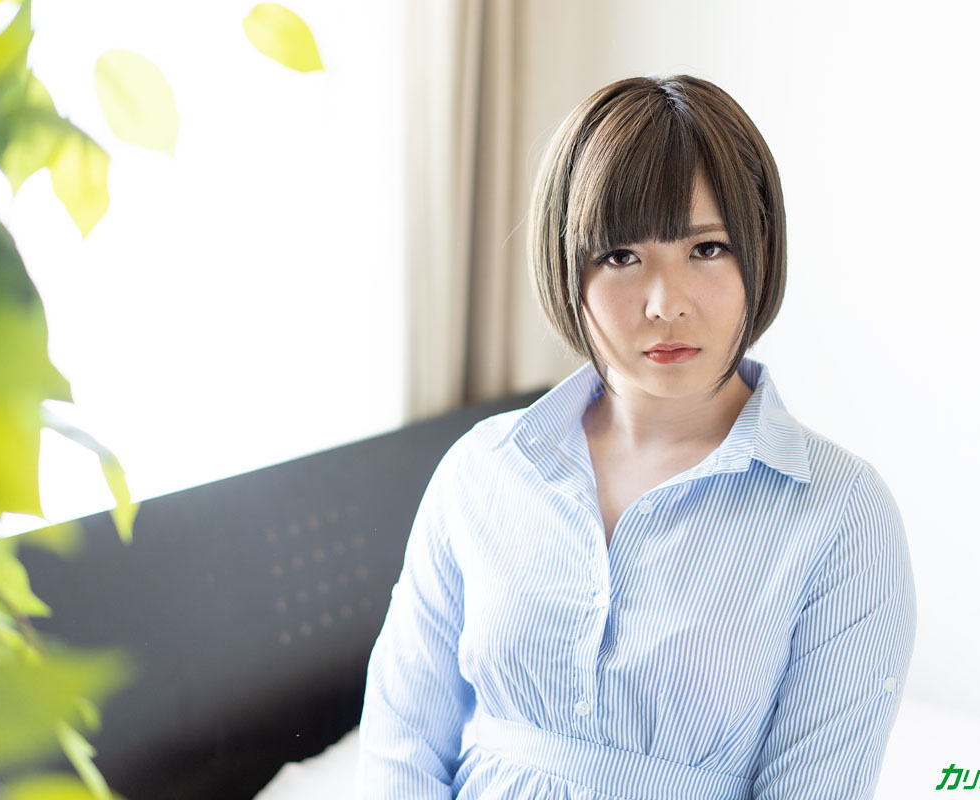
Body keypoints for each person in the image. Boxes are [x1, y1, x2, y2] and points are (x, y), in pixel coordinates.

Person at [355, 73, 917, 800]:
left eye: (707, 248)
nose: (666, 304)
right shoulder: (484, 470)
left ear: (760, 249)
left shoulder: (842, 514)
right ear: (568, 267)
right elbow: (400, 744)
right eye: (621, 256)